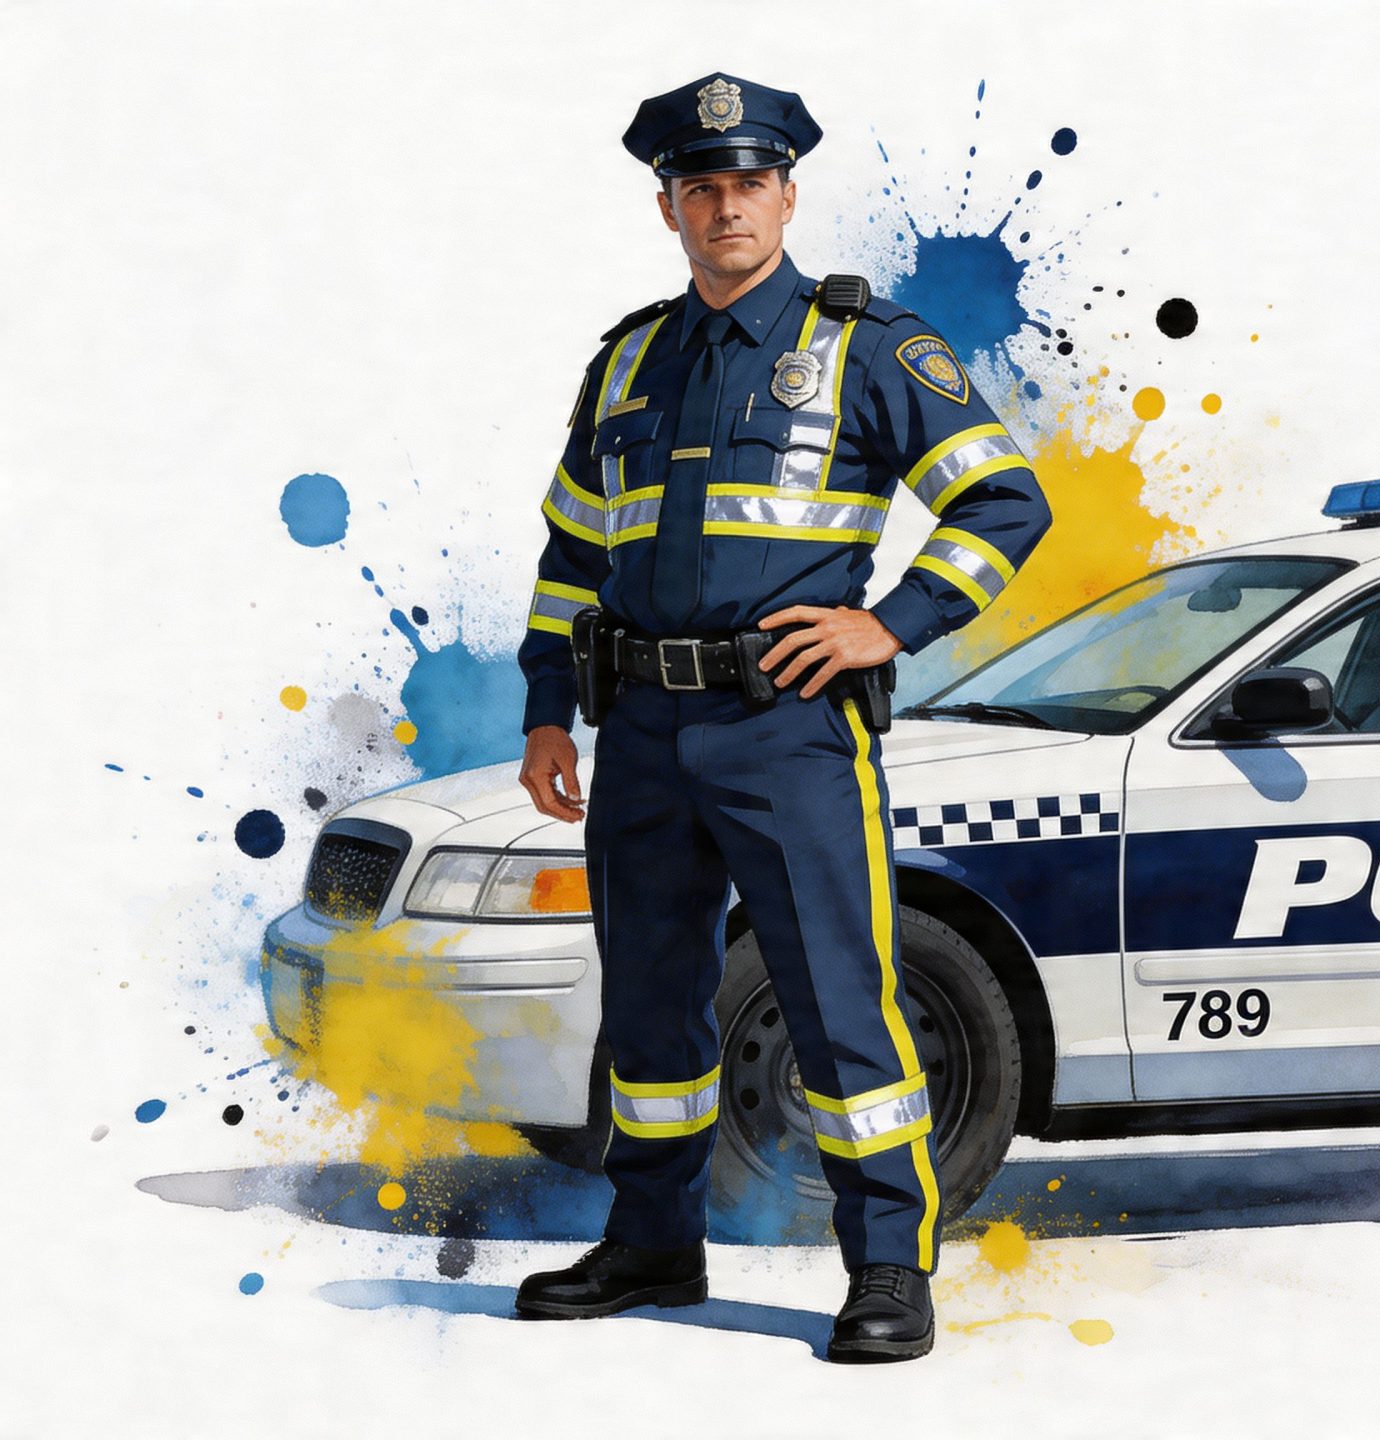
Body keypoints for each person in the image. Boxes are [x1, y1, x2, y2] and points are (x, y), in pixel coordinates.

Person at [506, 72, 1050, 1363]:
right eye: (701, 188)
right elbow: (572, 552)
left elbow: (1004, 502)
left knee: (839, 1000)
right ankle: (654, 1243)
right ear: (669, 210)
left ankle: (889, 1269)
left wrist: (894, 622)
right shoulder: (628, 361)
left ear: (789, 196)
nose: (727, 208)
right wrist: (546, 711)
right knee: (652, 1006)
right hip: (641, 734)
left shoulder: (872, 348)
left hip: (790, 729)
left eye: (750, 183)